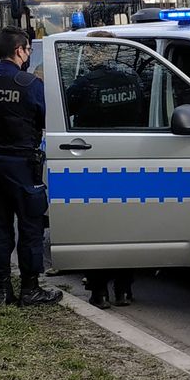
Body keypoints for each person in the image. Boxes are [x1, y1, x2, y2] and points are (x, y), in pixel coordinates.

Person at [0, 26, 61, 307]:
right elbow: (47, 119)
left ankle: (2, 289)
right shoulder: (29, 84)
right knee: (30, 227)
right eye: (28, 50)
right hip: (22, 165)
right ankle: (30, 289)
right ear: (20, 50)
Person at [63, 30, 137, 308]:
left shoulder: (85, 82)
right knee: (126, 227)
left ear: (95, 52)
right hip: (132, 157)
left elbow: (64, 109)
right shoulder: (133, 78)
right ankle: (124, 289)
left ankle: (99, 292)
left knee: (95, 228)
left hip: (92, 158)